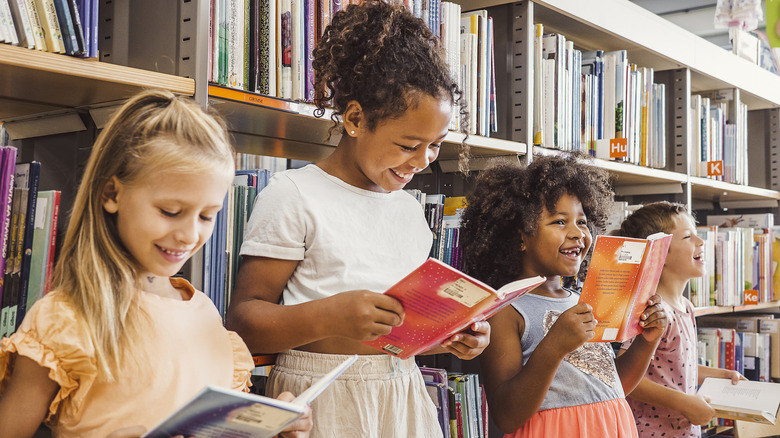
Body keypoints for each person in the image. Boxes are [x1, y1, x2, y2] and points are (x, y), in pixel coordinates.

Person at [225, 1, 488, 436]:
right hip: (321, 400)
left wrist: (452, 336)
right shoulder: (294, 196)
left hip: (402, 396)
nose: (422, 161)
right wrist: (331, 316)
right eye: (408, 145)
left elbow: (402, 330)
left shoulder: (409, 210)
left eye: (435, 145)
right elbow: (243, 323)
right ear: (354, 119)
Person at [0, 90, 311, 438]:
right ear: (112, 194)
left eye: (208, 216)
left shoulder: (206, 316)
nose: (189, 235)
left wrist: (274, 427)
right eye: (170, 212)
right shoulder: (65, 319)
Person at [458, 154, 668, 438]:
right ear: (520, 237)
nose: (577, 233)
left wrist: (647, 341)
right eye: (559, 222)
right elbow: (506, 416)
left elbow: (612, 384)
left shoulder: (584, 298)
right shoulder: (506, 310)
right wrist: (554, 346)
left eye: (582, 222)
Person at [616, 201, 744, 437]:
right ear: (660, 253)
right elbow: (626, 377)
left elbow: (677, 365)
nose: (701, 241)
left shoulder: (686, 306)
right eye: (688, 237)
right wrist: (684, 403)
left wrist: (721, 375)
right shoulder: (653, 311)